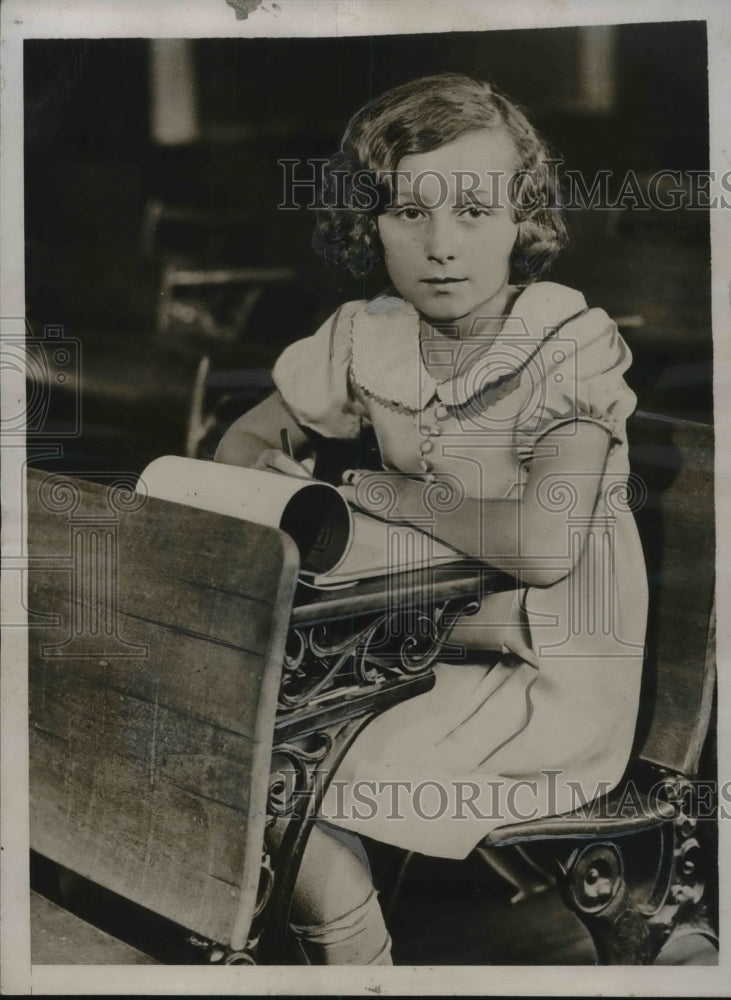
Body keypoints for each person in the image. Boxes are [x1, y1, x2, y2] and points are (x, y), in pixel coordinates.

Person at [215, 72, 648, 964]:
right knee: (237, 746)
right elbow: (242, 442)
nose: (441, 246)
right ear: (369, 221)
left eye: (475, 212)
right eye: (410, 213)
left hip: (542, 671)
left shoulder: (564, 339)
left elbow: (540, 542)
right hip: (418, 639)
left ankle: (357, 969)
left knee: (282, 770)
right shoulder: (364, 333)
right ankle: (349, 959)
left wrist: (383, 494)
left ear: (520, 220)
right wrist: (272, 484)